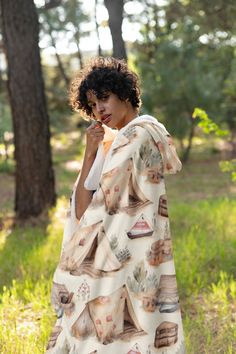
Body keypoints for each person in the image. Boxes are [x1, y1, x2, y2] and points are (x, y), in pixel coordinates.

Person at [46, 57, 186, 354]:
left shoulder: (140, 134)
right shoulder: (110, 142)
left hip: (131, 249)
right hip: (102, 253)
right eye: (93, 104)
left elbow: (114, 203)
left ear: (125, 94)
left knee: (124, 326)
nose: (100, 109)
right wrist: (89, 152)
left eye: (105, 98)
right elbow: (83, 211)